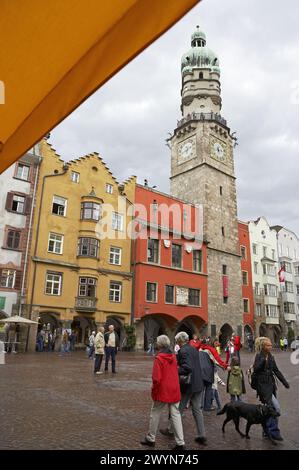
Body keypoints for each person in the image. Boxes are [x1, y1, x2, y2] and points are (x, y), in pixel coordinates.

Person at [160, 331, 207, 446]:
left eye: (177, 341)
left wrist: (175, 370)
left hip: (188, 384)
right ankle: (202, 435)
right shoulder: (193, 349)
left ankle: (171, 430)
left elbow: (187, 367)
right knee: (197, 409)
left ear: (180, 341)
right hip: (198, 383)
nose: (177, 343)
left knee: (178, 409)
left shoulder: (183, 350)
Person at [140, 335, 185, 450]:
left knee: (155, 413)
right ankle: (180, 442)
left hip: (162, 390)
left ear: (159, 345)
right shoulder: (173, 357)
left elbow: (156, 379)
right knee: (176, 415)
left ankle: (151, 438)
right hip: (174, 389)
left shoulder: (159, 358)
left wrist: (154, 391)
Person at [253, 337, 290, 441]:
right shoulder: (259, 356)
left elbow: (276, 370)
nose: (271, 346)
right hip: (263, 387)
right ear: (263, 347)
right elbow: (256, 369)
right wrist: (263, 362)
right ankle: (273, 431)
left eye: (270, 345)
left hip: (271, 385)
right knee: (276, 408)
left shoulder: (270, 356)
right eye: (268, 345)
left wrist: (284, 382)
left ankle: (267, 430)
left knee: (269, 409)